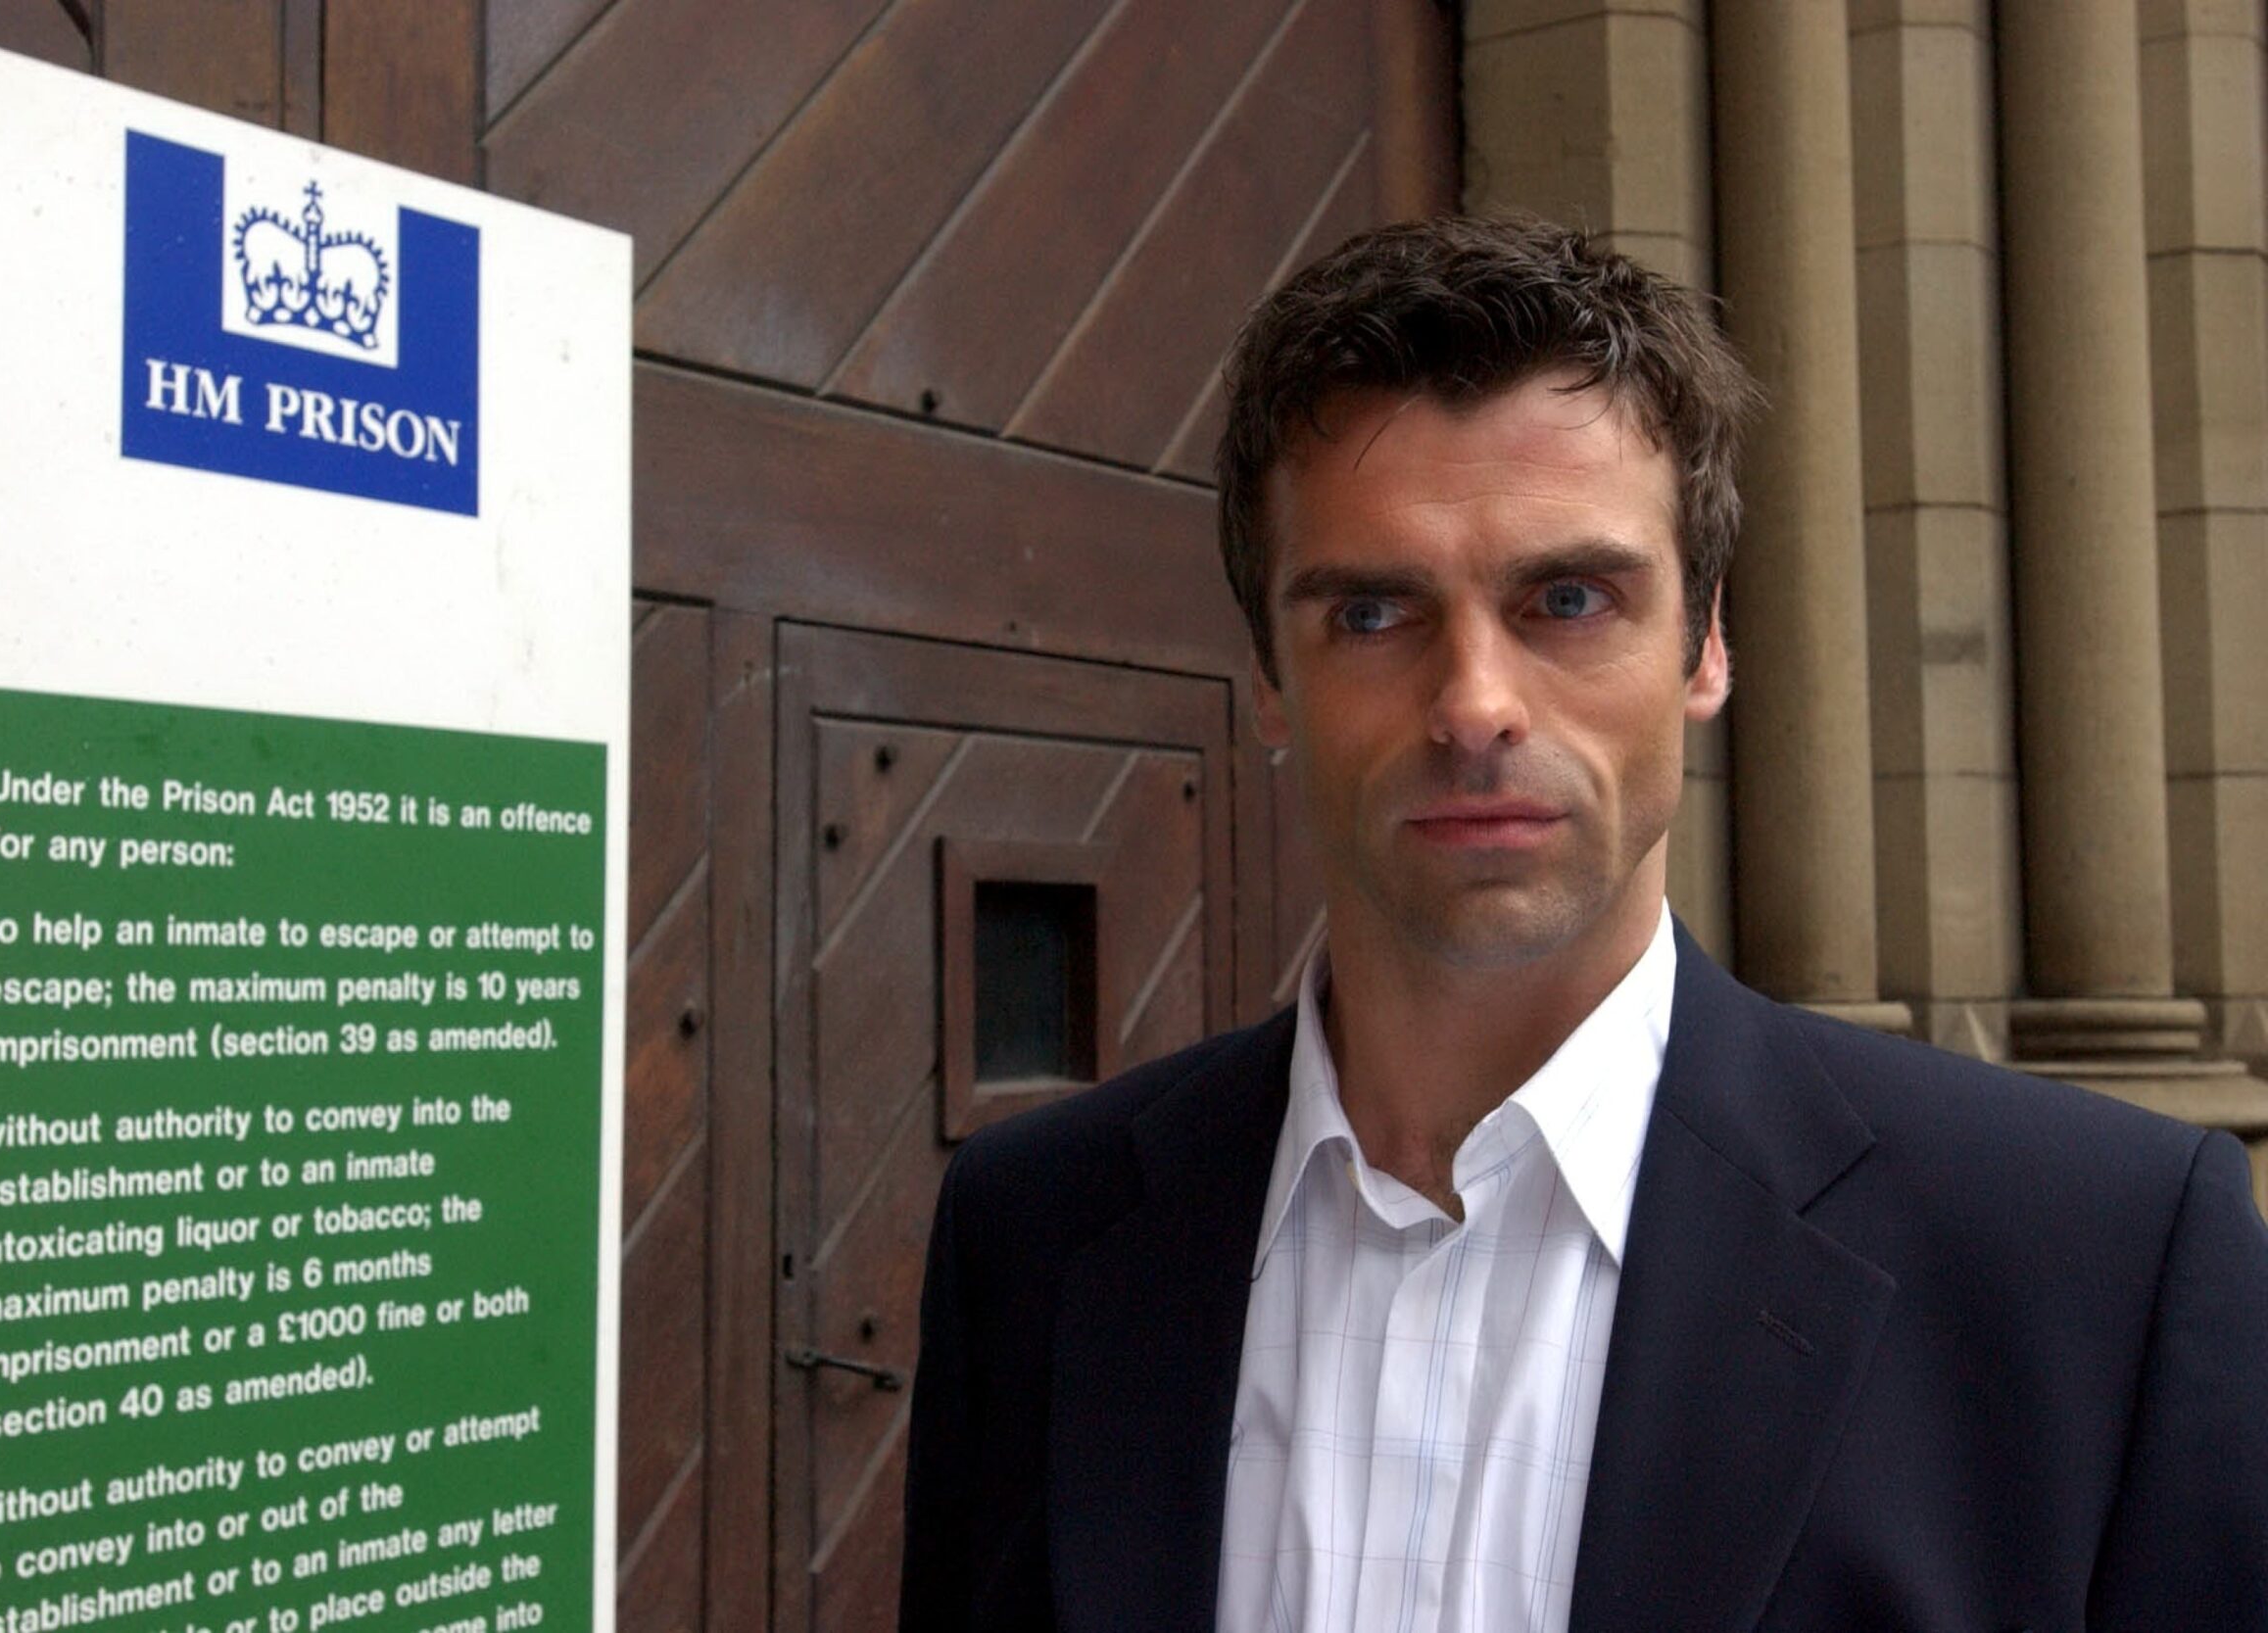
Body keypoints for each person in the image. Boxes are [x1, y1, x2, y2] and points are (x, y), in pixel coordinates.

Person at [896, 216, 2268, 1633]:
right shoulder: (1035, 1239)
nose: (1476, 702)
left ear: (1707, 644)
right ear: (1266, 674)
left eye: (1567, 599)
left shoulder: (2095, 1264)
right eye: (1371, 612)